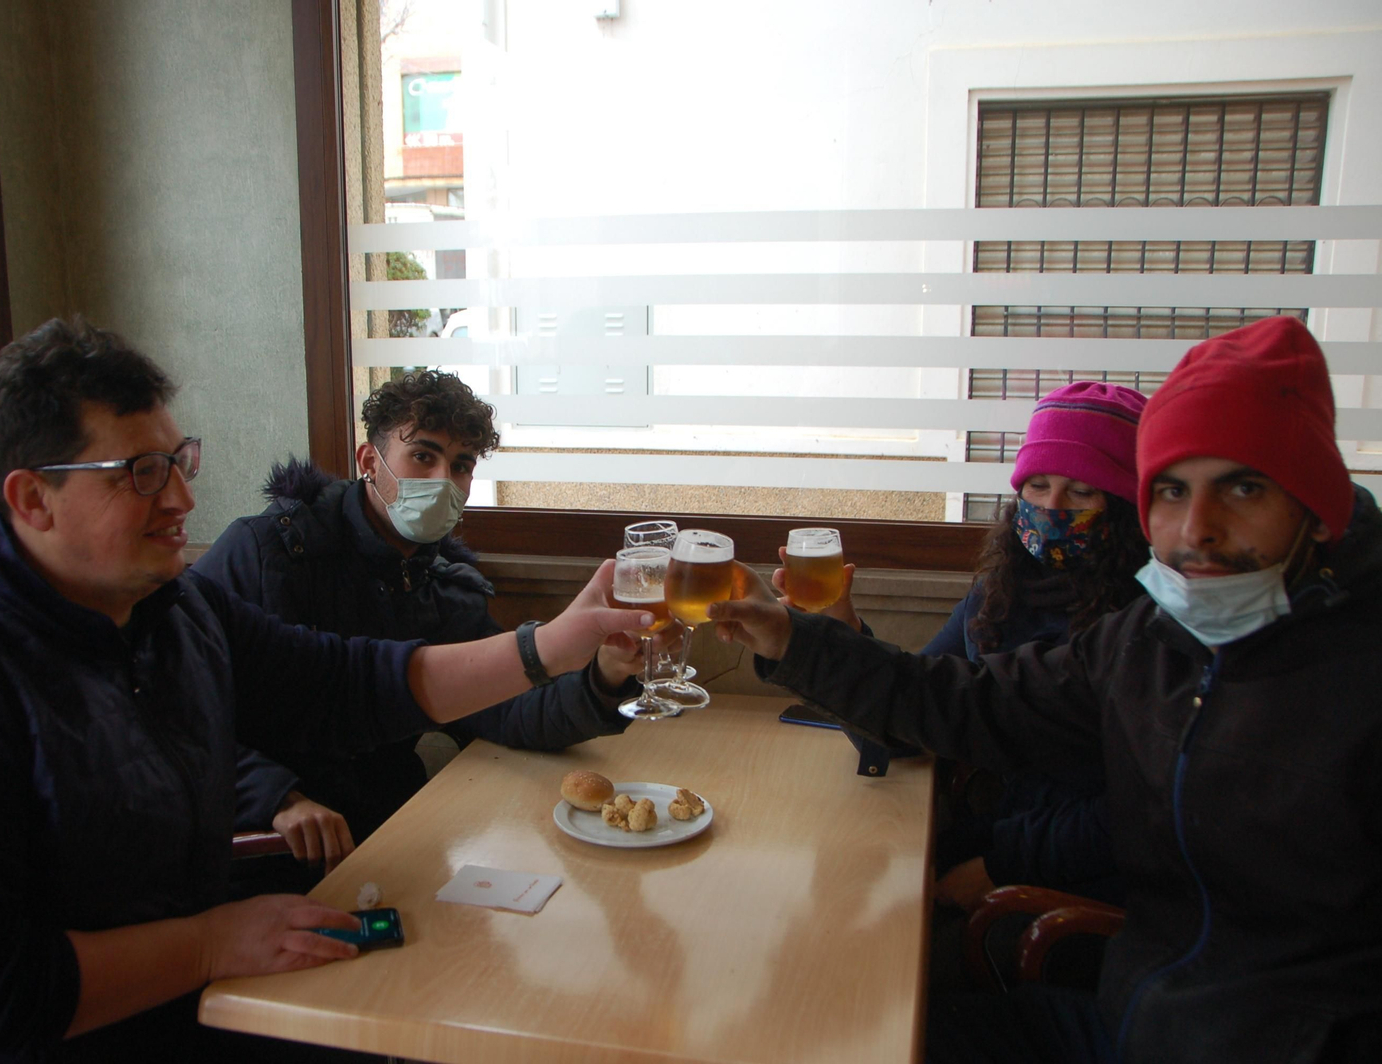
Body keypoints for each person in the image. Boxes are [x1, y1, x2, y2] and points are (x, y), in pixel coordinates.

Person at [0, 318, 649, 1064]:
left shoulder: (173, 609)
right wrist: (208, 944)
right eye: (140, 473)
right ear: (33, 498)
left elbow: (346, 683)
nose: (181, 498)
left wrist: (554, 644)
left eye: (178, 461)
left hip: (166, 1000)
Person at [712, 316, 1382, 1063]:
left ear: (1316, 509)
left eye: (1244, 488)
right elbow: (960, 701)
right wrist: (793, 637)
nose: (1198, 528)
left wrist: (1004, 863)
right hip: (1131, 1019)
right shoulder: (1147, 641)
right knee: (830, 1032)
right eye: (1172, 489)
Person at [195, 371, 641, 876]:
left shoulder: (444, 588)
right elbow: (179, 713)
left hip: (391, 837)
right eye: (423, 457)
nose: (442, 481)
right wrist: (275, 796)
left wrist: (605, 674)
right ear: (370, 462)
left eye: (461, 466)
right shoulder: (265, 553)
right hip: (263, 850)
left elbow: (505, 706)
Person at [845, 382, 1148, 910]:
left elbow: (1137, 814)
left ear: (1125, 508)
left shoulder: (1146, 622)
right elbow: (909, 721)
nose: (1052, 507)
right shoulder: (998, 595)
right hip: (1011, 835)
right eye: (1037, 485)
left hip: (1092, 879)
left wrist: (997, 867)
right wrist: (840, 631)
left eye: (1081, 492)